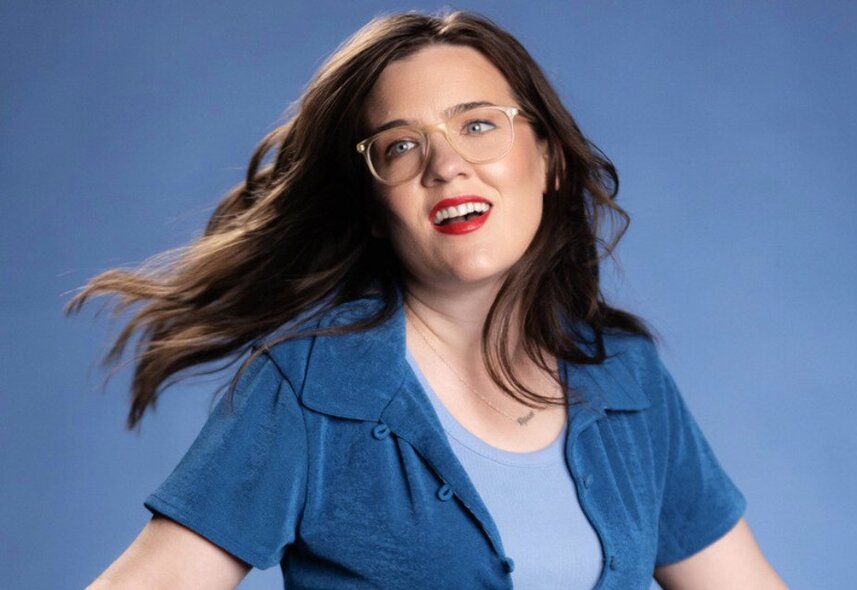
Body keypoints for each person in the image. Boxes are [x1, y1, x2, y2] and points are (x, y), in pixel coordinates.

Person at [71, 10, 787, 590]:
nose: (446, 164)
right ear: (372, 202)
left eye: (478, 124)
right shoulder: (312, 389)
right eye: (400, 146)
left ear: (550, 161)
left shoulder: (626, 379)